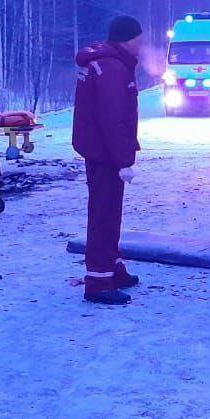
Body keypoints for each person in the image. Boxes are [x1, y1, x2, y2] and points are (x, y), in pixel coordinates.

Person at [73, 15, 144, 305]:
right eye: (140, 38)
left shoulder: (103, 63)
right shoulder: (113, 68)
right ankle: (99, 282)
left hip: (99, 150)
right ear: (129, 39)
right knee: (104, 215)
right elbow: (113, 119)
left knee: (109, 212)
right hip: (106, 154)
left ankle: (113, 267)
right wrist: (124, 159)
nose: (143, 44)